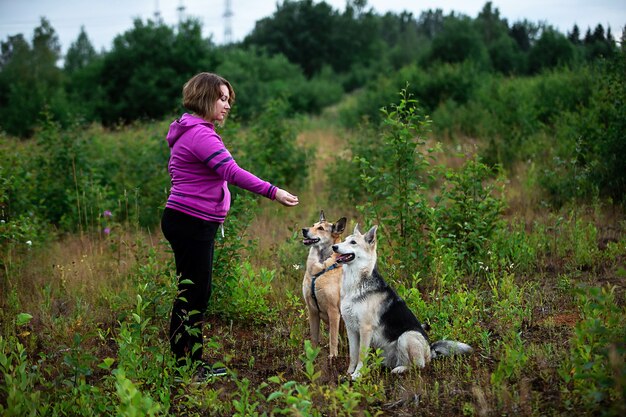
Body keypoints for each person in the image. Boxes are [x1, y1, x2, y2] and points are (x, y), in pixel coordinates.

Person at [161, 72, 299, 382]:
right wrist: (273, 191)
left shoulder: (191, 130)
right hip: (191, 221)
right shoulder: (201, 135)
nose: (227, 105)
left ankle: (186, 363)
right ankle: (187, 368)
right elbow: (231, 172)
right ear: (205, 98)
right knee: (194, 294)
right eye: (222, 98)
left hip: (189, 220)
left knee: (193, 292)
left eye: (228, 100)